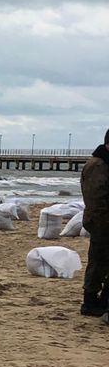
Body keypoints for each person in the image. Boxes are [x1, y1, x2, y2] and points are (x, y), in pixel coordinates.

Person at [80, 128, 109, 318]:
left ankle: (102, 301)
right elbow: (97, 199)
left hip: (102, 221)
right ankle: (91, 302)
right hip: (101, 223)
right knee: (98, 262)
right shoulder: (97, 165)